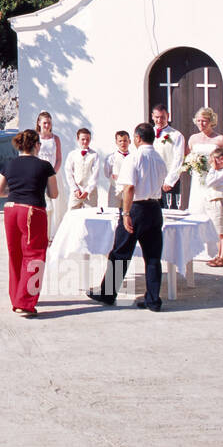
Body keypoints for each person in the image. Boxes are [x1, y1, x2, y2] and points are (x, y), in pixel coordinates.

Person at [87, 122, 169, 311]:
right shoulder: (159, 159)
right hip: (154, 207)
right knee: (153, 256)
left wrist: (125, 212)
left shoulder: (134, 158)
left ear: (137, 138)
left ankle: (108, 293)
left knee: (121, 252)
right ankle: (153, 299)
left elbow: (129, 187)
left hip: (137, 208)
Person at [0, 129, 58, 316]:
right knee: (34, 255)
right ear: (37, 145)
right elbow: (54, 194)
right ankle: (26, 302)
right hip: (32, 211)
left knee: (16, 254)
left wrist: (13, 193)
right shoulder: (45, 166)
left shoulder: (10, 164)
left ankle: (16, 297)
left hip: (11, 209)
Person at [202, 147, 223, 267]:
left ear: (221, 159)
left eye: (213, 160)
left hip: (220, 202)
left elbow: (210, 182)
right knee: (217, 232)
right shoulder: (218, 172)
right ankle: (219, 254)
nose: (212, 163)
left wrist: (213, 169)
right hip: (213, 202)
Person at [151, 105, 185, 209]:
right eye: (157, 117)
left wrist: (170, 181)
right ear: (152, 116)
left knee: (170, 212)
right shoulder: (148, 133)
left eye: (162, 117)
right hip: (152, 181)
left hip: (168, 181)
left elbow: (178, 159)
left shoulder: (176, 135)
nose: (159, 120)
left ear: (168, 116)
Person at [35, 111, 65, 228]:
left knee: (57, 205)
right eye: (45, 123)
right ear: (39, 123)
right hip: (39, 175)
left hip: (54, 174)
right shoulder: (35, 138)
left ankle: (55, 232)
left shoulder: (55, 138)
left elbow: (58, 158)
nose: (47, 125)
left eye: (49, 123)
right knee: (43, 205)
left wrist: (52, 173)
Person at [65, 127, 100, 211]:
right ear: (78, 139)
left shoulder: (94, 155)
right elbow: (68, 172)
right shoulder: (72, 154)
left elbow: (95, 174)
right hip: (76, 191)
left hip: (90, 192)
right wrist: (75, 189)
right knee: (72, 214)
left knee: (91, 216)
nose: (85, 141)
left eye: (87, 139)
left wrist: (88, 190)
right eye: (83, 139)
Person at [103, 130, 132, 214]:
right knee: (113, 212)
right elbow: (107, 173)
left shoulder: (133, 157)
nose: (123, 143)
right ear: (116, 142)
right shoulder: (111, 157)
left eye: (125, 140)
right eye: (120, 141)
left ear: (129, 141)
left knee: (128, 213)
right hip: (115, 189)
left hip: (128, 190)